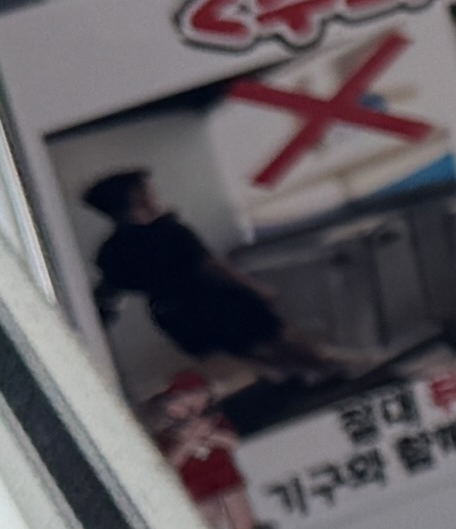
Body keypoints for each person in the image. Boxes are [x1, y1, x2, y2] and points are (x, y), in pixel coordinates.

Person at [73, 169, 302, 395]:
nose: (155, 195)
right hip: (217, 300)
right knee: (279, 341)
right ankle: (311, 375)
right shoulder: (169, 232)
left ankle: (291, 382)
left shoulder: (110, 252)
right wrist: (256, 288)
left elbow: (110, 292)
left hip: (175, 315)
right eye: (149, 191)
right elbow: (210, 266)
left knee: (246, 353)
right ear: (136, 197)